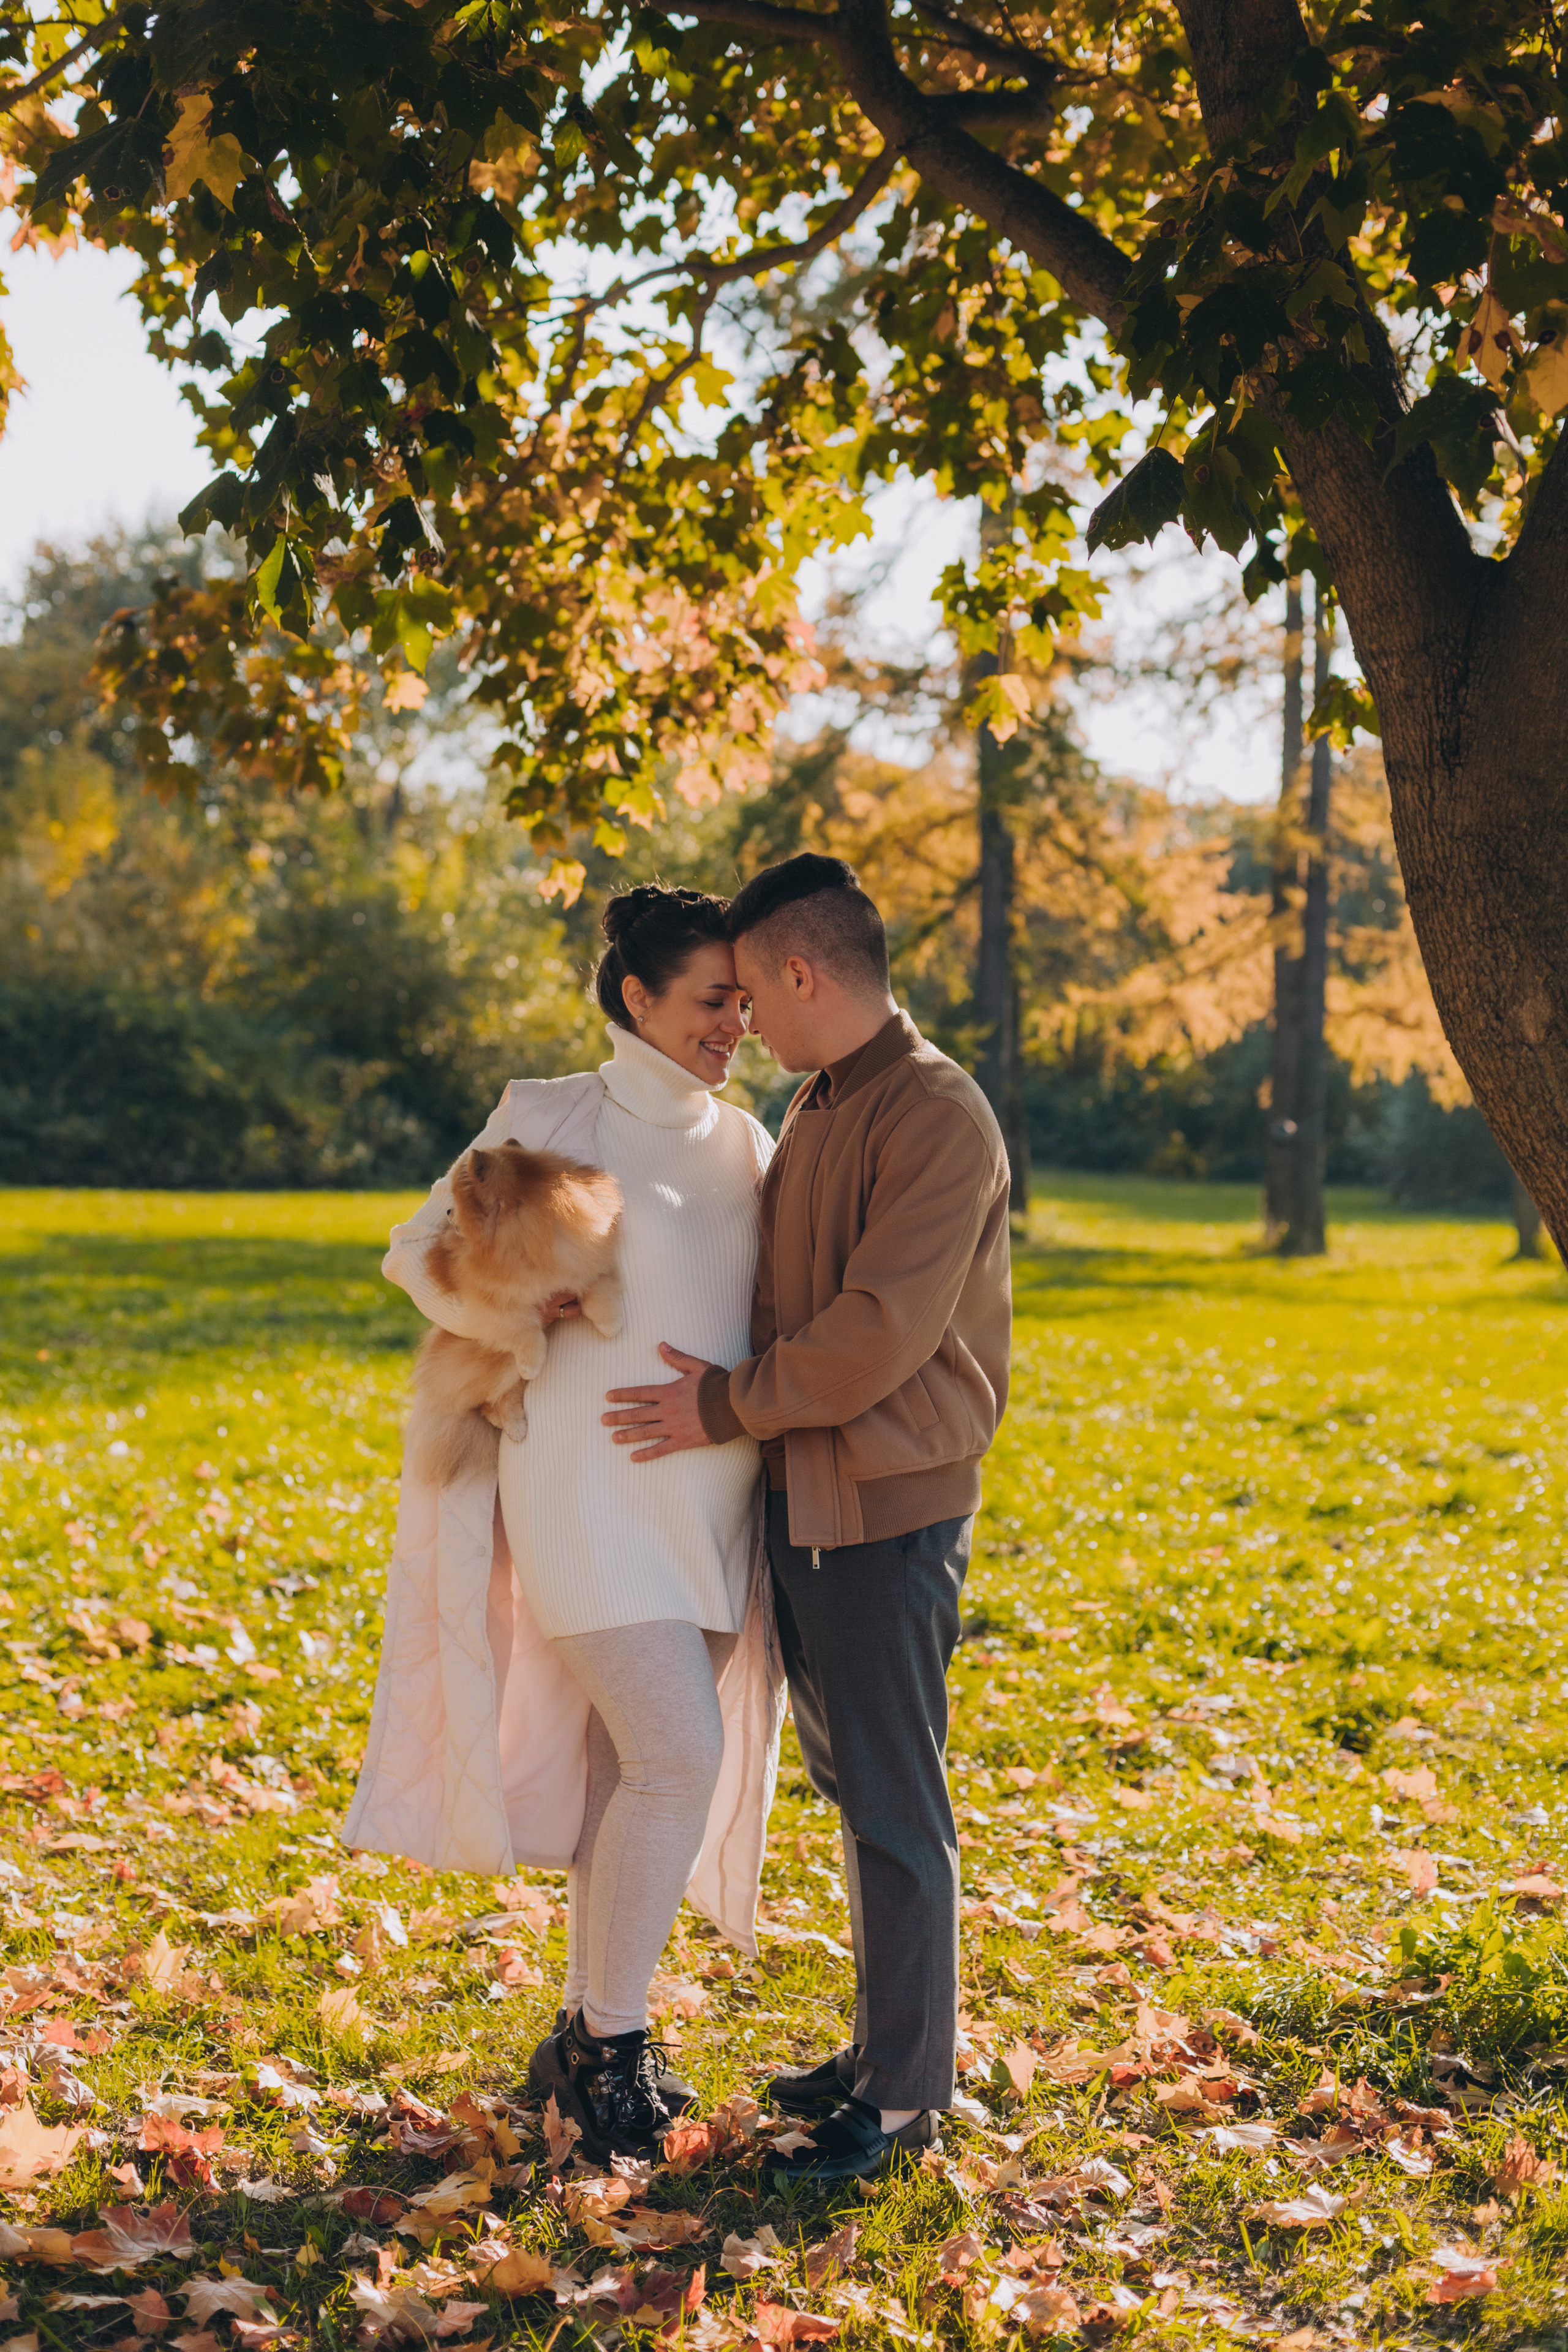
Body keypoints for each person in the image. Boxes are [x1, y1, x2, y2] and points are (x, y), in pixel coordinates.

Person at [344, 886, 784, 2166]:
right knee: (674, 1757)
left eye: (745, 1002)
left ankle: (586, 2040)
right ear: (637, 998)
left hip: (713, 1495)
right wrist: (525, 1319)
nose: (733, 1026)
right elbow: (412, 1250)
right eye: (712, 1000)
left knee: (625, 1777)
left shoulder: (752, 1140)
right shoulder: (550, 1115)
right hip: (582, 1493)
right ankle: (613, 2047)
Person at [601, 853, 1012, 2183]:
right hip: (807, 1500)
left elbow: (875, 1333)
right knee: (854, 1786)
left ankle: (901, 2103)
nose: (740, 1027)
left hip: (883, 1510)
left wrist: (723, 1408)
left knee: (896, 1802)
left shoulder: (936, 1114)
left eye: (748, 996)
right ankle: (889, 2047)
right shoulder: (822, 1097)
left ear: (802, 972)